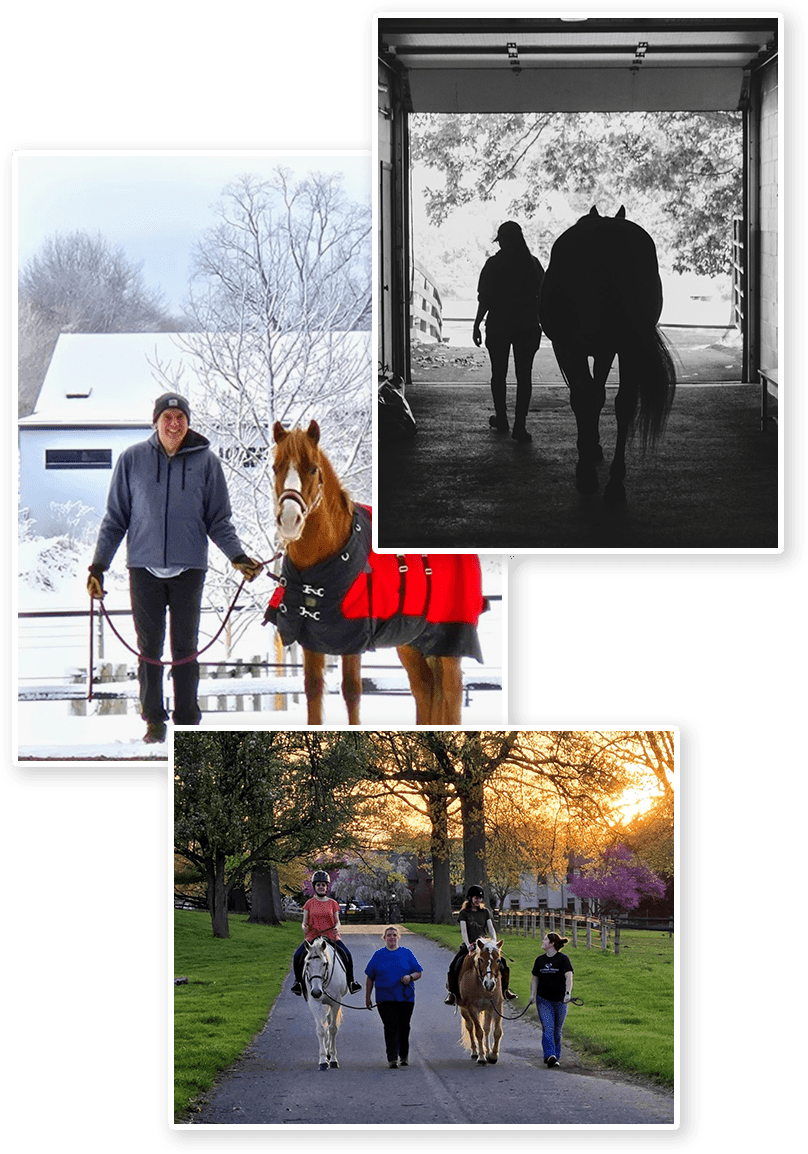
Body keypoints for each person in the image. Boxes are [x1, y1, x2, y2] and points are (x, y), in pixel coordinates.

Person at [86, 393, 262, 743]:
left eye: (180, 417)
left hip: (189, 568)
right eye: (167, 416)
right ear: (155, 421)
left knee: (186, 647)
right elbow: (115, 519)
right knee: (149, 648)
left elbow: (218, 520)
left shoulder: (207, 462)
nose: (174, 423)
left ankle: (186, 720)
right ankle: (154, 721)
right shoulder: (131, 460)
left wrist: (237, 556)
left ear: (188, 422)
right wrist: (98, 567)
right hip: (143, 567)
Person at [473, 221, 545, 443]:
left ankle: (502, 418)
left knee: (499, 374)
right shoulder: (532, 264)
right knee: (524, 377)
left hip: (499, 326)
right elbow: (543, 296)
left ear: (503, 241)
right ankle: (520, 426)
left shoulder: (493, 264)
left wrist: (476, 324)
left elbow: (485, 298)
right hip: (527, 326)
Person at [290, 870, 362, 995]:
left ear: (327, 887)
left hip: (331, 936)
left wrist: (337, 927)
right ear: (314, 887)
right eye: (318, 885)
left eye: (323, 885)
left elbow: (337, 922)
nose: (321, 887)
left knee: (347, 954)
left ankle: (351, 982)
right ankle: (298, 983)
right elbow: (304, 922)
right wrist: (304, 927)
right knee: (298, 956)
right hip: (313, 936)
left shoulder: (333, 903)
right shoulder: (309, 903)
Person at [444, 884, 516, 1005]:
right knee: (454, 966)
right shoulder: (464, 913)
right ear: (470, 898)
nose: (478, 900)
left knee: (503, 963)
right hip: (470, 945)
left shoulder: (485, 912)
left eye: (480, 898)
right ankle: (453, 994)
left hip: (485, 946)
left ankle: (505, 990)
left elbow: (491, 928)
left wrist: (493, 941)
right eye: (476, 898)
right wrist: (468, 945)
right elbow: (464, 931)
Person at [365, 925, 423, 1068]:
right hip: (385, 998)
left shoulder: (407, 953)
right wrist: (368, 997)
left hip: (405, 998)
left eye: (394, 935)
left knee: (404, 1026)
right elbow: (370, 977)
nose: (392, 937)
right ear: (384, 938)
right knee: (390, 1026)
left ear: (399, 937)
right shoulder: (378, 955)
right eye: (389, 935)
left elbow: (418, 972)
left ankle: (403, 1056)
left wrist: (410, 977)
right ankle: (392, 1058)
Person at [530, 932, 574, 1067]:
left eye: (545, 940)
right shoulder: (539, 960)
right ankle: (550, 1055)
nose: (542, 942)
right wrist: (532, 995)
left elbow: (569, 976)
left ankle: (556, 1055)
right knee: (548, 1028)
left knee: (557, 1030)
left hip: (561, 1000)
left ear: (552, 944)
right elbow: (535, 979)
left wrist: (568, 993)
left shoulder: (563, 959)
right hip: (544, 1000)